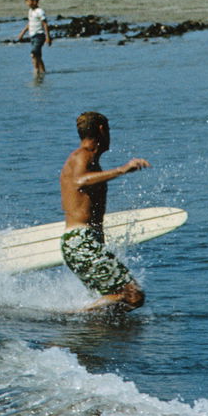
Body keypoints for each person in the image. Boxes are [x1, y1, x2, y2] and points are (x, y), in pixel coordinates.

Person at [59, 111, 149, 312]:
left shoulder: (86, 159)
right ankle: (72, 316)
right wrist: (122, 170)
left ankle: (88, 326)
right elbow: (79, 181)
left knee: (118, 306)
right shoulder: (82, 156)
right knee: (133, 296)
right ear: (102, 130)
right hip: (80, 242)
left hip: (80, 243)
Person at [17, 0, 50, 77]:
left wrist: (48, 37)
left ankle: (36, 71)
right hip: (32, 36)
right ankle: (43, 72)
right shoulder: (30, 11)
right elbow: (30, 23)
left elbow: (45, 24)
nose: (27, 3)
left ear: (34, 2)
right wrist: (22, 32)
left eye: (28, 1)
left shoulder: (40, 11)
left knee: (33, 53)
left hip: (39, 35)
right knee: (38, 56)